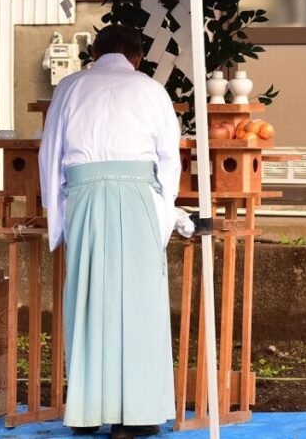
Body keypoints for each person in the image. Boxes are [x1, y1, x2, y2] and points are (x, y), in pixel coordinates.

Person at [39, 24, 192, 439]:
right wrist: (164, 216)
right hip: (139, 196)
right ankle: (138, 416)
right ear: (138, 57)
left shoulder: (70, 87)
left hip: (85, 196)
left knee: (90, 300)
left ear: (94, 54)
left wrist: (60, 217)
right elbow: (169, 159)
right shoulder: (151, 89)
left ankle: (88, 412)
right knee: (141, 304)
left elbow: (49, 152)